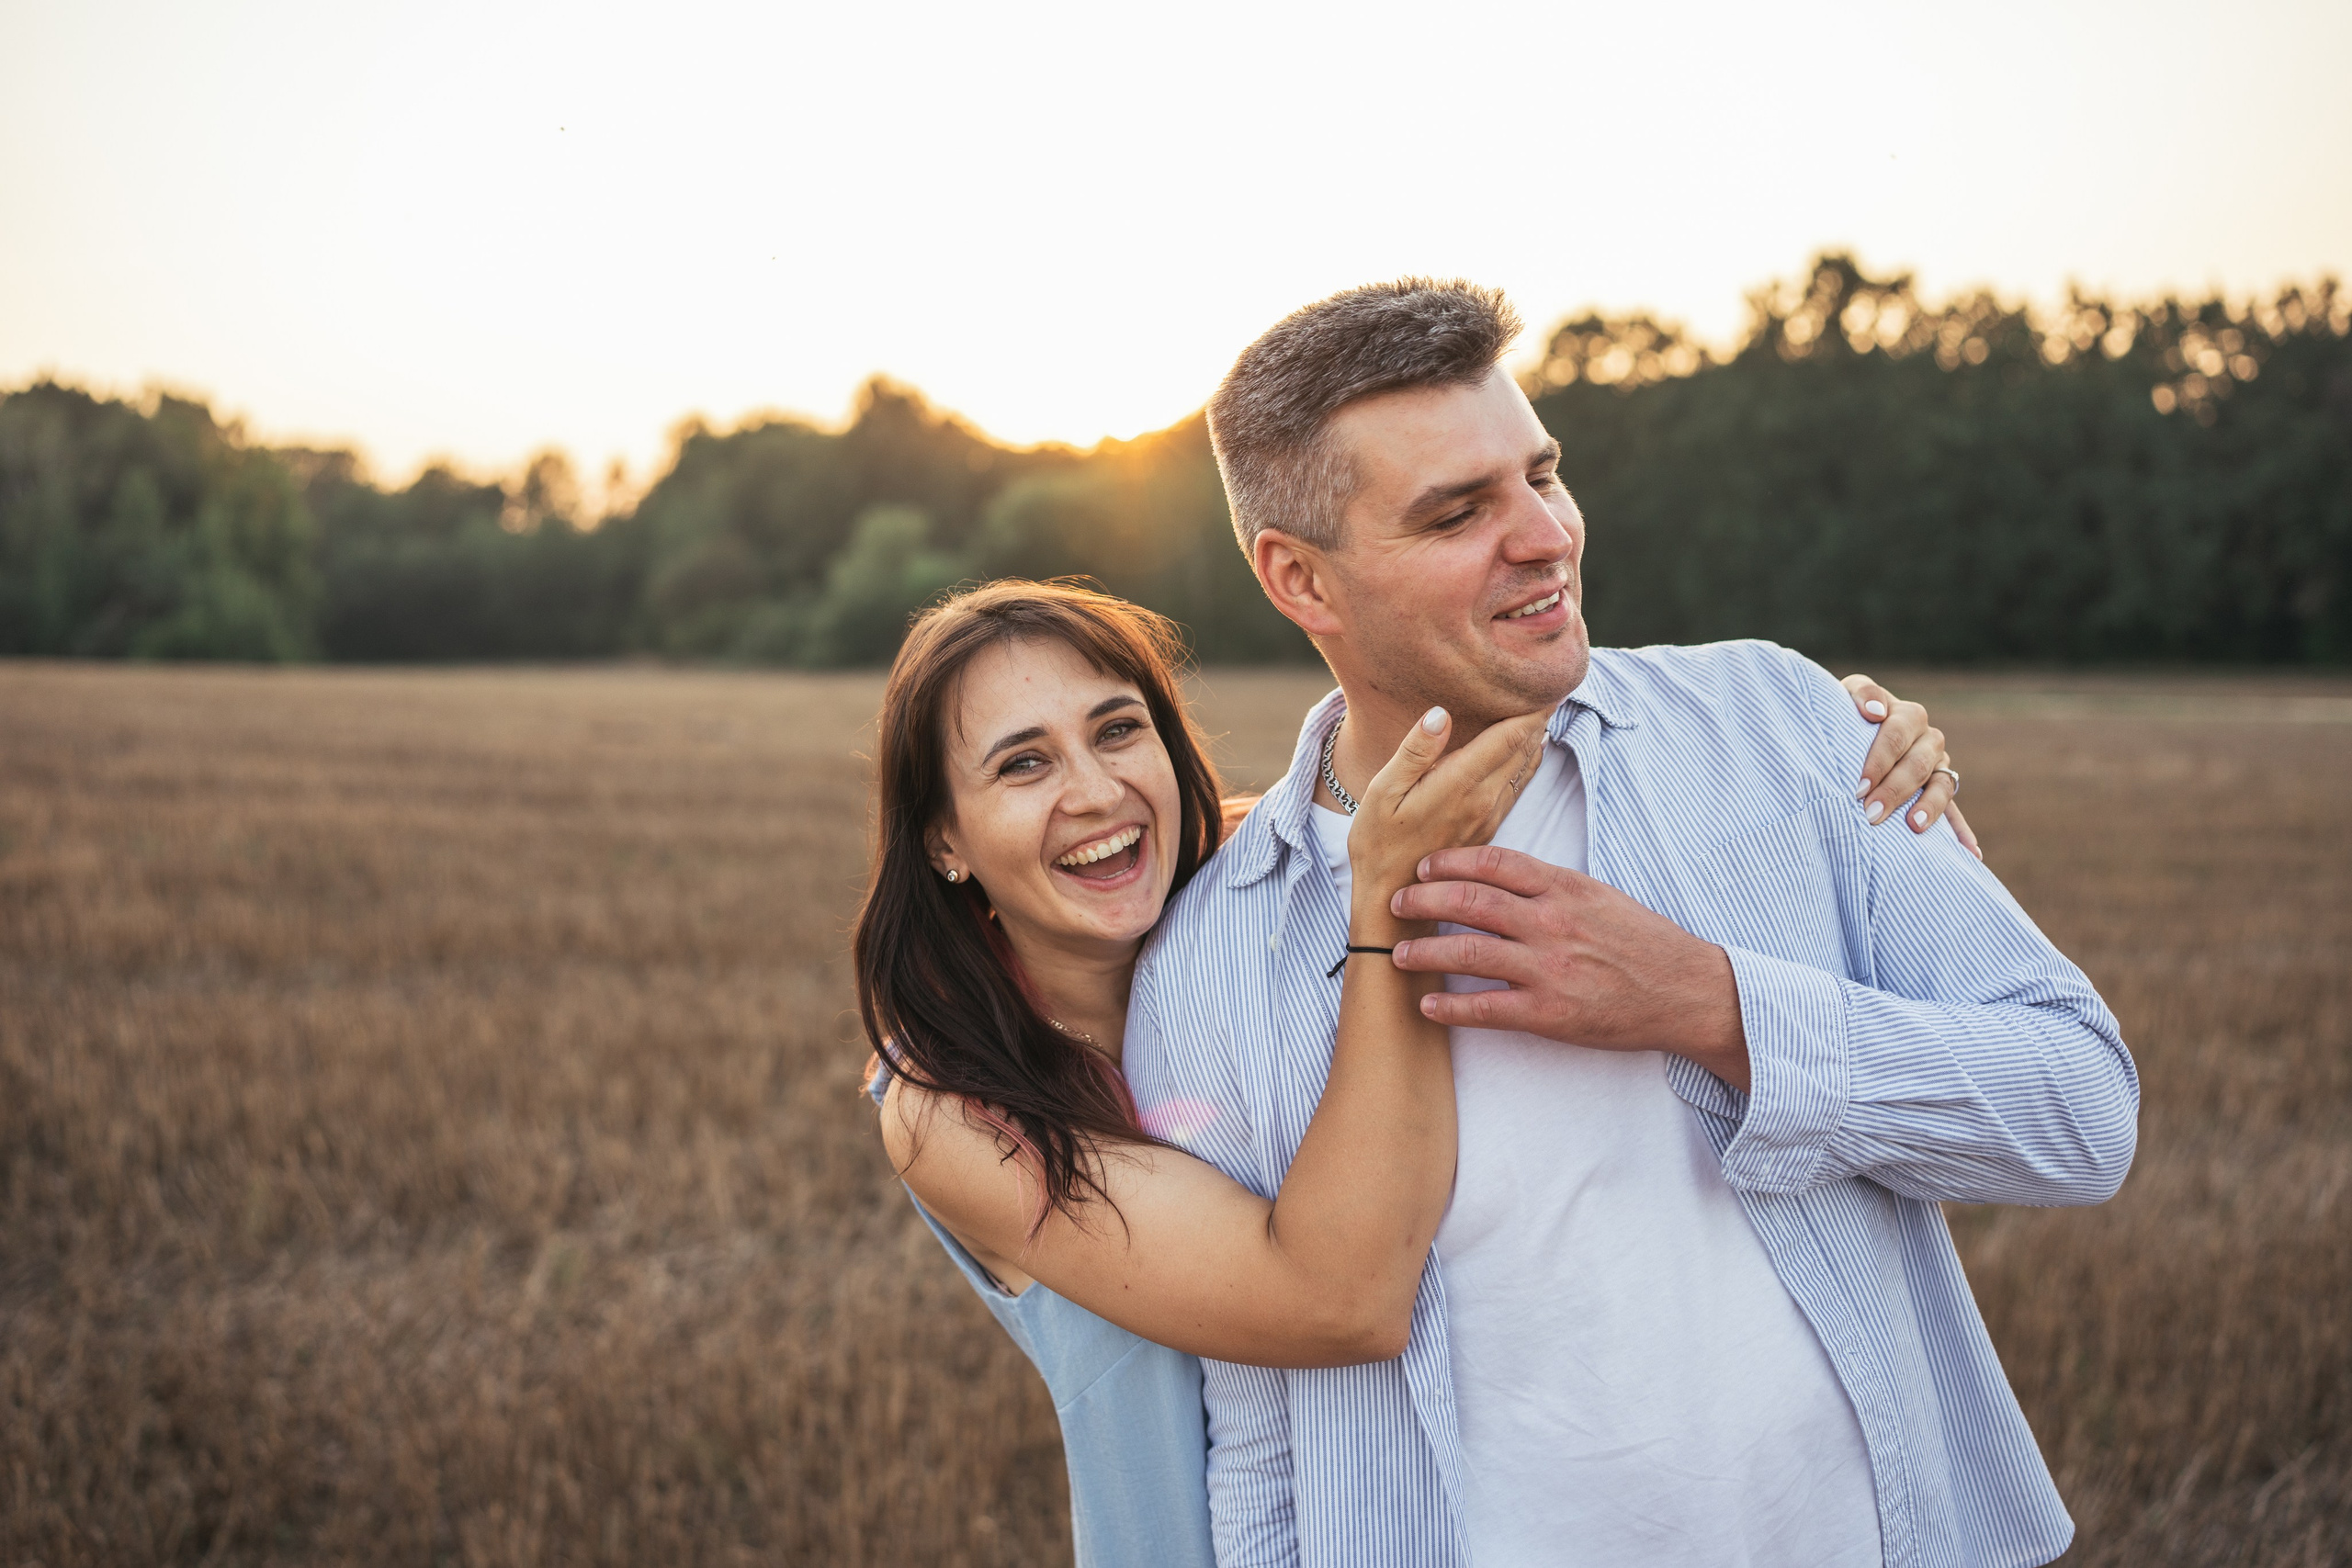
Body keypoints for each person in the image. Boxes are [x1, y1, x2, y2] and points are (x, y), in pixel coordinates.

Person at [1123, 278, 2140, 1568]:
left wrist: (1710, 1003)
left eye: (1543, 475)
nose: (1544, 536)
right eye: (1458, 512)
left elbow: (2083, 1115)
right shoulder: (1209, 960)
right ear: (1298, 578)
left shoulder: (1787, 726)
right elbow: (1266, 1438)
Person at [857, 580, 1973, 1566]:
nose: (1097, 792)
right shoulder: (947, 1108)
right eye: (1022, 764)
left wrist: (1825, 735)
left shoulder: (1256, 872)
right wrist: (1385, 921)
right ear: (943, 840)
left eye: (1117, 731)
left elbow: (1500, 751)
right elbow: (1341, 1302)